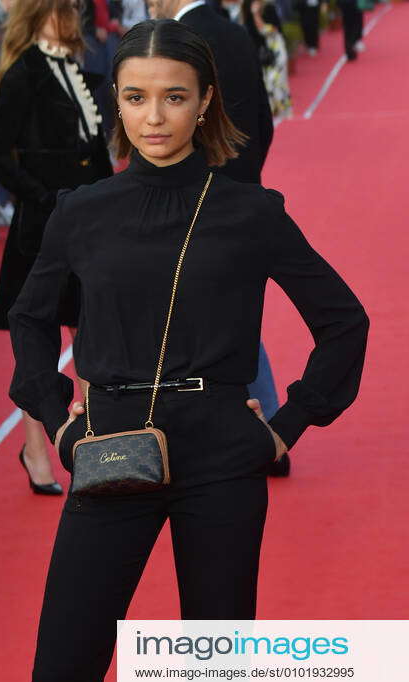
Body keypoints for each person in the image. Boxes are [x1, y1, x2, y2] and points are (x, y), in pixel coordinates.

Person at [0, 17, 369, 682]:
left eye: (175, 98)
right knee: (60, 680)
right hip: (106, 456)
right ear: (118, 104)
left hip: (218, 468)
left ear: (206, 107)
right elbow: (30, 324)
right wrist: (60, 423)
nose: (154, 116)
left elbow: (343, 324)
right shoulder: (81, 212)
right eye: (138, 97)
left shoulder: (250, 211)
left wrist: (285, 427)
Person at [147, 0, 292, 476]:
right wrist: (247, 184)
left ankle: (257, 430)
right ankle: (267, 430)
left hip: (197, 200)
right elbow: (264, 122)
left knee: (202, 317)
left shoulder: (179, 42)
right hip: (241, 193)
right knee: (231, 314)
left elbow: (176, 129)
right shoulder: (232, 31)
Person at [0, 0, 113, 496]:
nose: (73, 18)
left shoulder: (73, 66)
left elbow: (93, 149)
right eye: (64, 9)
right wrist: (41, 197)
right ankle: (36, 449)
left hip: (88, 224)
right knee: (37, 341)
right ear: (40, 14)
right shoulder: (23, 74)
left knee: (91, 333)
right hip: (41, 229)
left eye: (75, 9)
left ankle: (95, 444)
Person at [241, 0, 292, 125]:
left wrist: (256, 14)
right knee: (265, 82)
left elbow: (271, 30)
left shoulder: (268, 7)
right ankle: (271, 112)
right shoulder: (246, 7)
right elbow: (247, 31)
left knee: (275, 80)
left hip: (275, 49)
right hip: (259, 52)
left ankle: (283, 112)